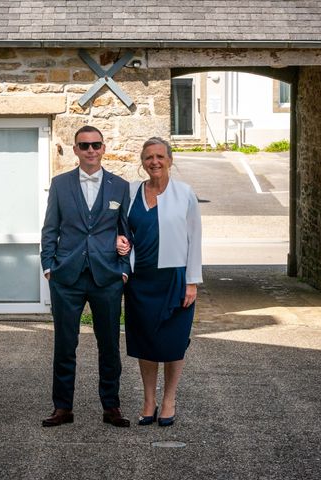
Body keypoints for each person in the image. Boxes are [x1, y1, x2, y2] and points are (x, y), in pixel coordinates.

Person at [40, 125, 132, 428]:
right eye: (84, 145)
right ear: (76, 150)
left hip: (107, 277)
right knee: (65, 345)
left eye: (96, 145)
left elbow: (125, 231)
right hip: (67, 277)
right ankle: (62, 407)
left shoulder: (119, 186)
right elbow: (50, 229)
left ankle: (111, 406)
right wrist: (49, 267)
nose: (90, 150)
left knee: (109, 346)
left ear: (103, 148)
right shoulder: (60, 184)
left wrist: (124, 268)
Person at [117, 136, 202, 427]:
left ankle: (169, 400)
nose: (154, 162)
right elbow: (120, 229)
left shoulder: (184, 193)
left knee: (173, 342)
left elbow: (195, 239)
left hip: (175, 279)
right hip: (140, 281)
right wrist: (120, 244)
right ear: (142, 162)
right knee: (146, 342)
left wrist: (192, 282)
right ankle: (148, 400)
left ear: (170, 160)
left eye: (160, 157)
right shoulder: (130, 192)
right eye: (149, 157)